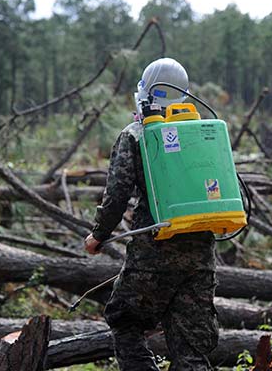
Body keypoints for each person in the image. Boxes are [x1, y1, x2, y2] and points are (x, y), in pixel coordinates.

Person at [84, 58, 219, 371]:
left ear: (143, 93)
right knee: (191, 350)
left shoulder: (136, 134)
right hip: (201, 258)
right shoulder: (202, 134)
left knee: (123, 319)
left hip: (153, 255)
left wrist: (98, 236)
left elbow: (117, 196)